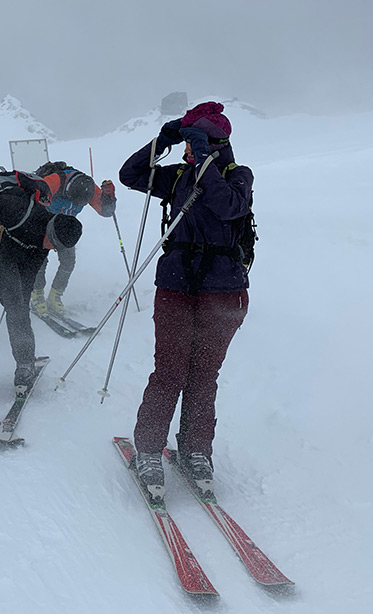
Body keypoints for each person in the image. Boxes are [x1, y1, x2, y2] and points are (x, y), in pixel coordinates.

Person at [118, 101, 252, 500]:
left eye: (194, 144)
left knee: (203, 375)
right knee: (170, 372)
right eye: (187, 145)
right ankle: (148, 449)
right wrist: (166, 137)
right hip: (176, 286)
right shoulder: (177, 177)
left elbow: (228, 206)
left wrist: (206, 157)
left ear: (214, 144)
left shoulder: (237, 176)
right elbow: (131, 175)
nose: (187, 152)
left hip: (223, 291)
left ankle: (196, 449)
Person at [0, 184, 82, 396]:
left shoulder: (43, 246)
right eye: (53, 243)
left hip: (1, 255)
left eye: (56, 248)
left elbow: (28, 275)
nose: (52, 248)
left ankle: (25, 364)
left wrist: (19, 299)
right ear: (50, 229)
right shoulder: (15, 210)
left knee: (18, 306)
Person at [30, 163, 117, 316]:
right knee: (39, 261)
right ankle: (37, 294)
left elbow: (105, 211)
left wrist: (109, 199)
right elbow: (32, 198)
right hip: (43, 223)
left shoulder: (88, 187)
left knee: (68, 262)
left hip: (65, 228)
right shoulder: (56, 180)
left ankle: (55, 295)